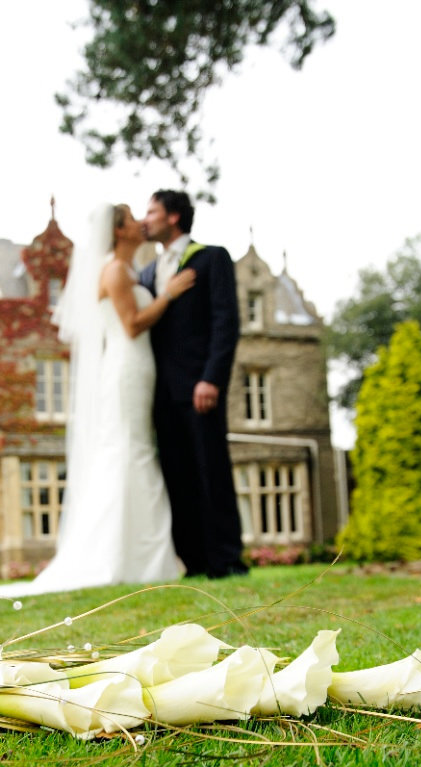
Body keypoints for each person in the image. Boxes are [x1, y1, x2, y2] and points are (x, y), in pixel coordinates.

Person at [0, 203, 195, 607]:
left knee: (135, 451)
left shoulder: (131, 270)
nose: (139, 223)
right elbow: (131, 324)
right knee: (130, 453)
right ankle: (126, 558)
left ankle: (143, 557)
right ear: (117, 231)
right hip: (127, 365)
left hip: (137, 367)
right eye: (131, 218)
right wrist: (168, 293)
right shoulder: (115, 270)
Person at [139, 189, 247, 579]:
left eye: (151, 211)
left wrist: (211, 379)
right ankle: (194, 559)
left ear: (173, 217)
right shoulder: (147, 274)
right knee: (176, 474)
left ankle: (228, 558)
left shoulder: (211, 258)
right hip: (160, 394)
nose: (144, 218)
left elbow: (225, 323)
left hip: (200, 387)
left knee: (210, 470)